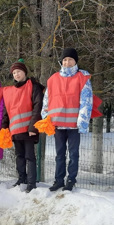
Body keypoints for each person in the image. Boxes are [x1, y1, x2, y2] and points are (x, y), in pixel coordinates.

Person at [41, 48, 93, 191]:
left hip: (74, 125)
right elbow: (47, 101)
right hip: (57, 124)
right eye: (64, 60)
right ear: (61, 61)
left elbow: (86, 102)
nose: (67, 62)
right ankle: (59, 180)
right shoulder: (53, 79)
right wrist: (46, 118)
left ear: (75, 61)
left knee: (74, 154)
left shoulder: (82, 78)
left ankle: (71, 180)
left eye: (70, 59)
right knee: (59, 154)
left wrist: (82, 122)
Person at [2, 59, 44, 193]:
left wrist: (33, 127)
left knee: (30, 156)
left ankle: (31, 183)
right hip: (15, 130)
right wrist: (4, 128)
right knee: (19, 156)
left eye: (18, 71)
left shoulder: (33, 86)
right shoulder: (9, 91)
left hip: (28, 129)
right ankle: (22, 179)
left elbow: (38, 107)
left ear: (24, 72)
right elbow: (6, 111)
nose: (16, 74)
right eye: (14, 73)